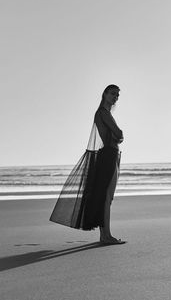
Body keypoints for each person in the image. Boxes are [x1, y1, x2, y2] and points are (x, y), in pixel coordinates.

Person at [50, 84, 125, 245]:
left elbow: (117, 135)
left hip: (111, 154)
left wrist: (117, 136)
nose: (115, 97)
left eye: (117, 95)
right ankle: (106, 236)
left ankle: (105, 235)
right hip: (109, 155)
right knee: (106, 197)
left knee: (106, 197)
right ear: (104, 94)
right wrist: (118, 135)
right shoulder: (102, 113)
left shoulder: (105, 114)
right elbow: (119, 134)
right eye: (112, 93)